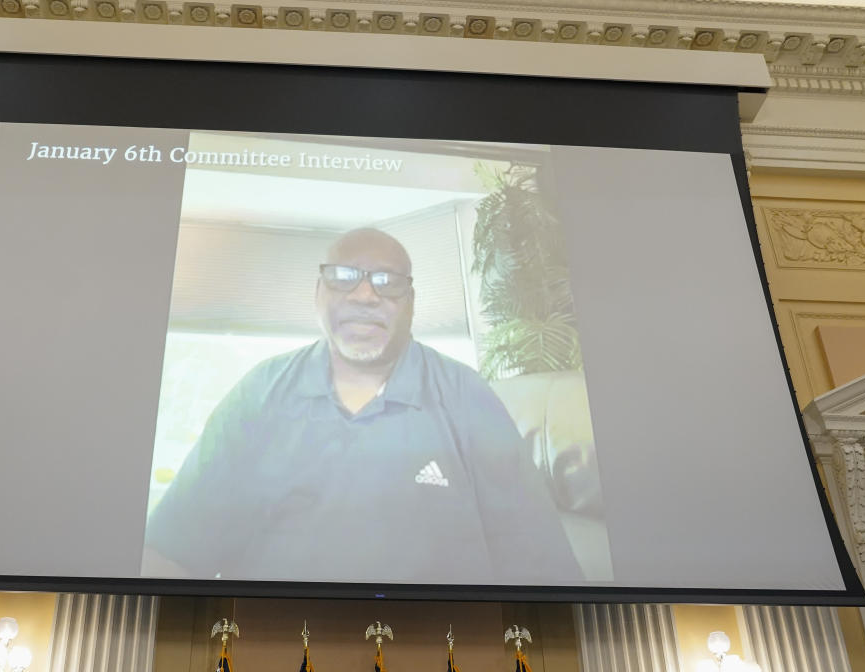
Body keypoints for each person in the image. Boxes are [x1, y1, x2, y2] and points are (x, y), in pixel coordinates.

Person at [143, 227, 580, 584]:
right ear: (318, 294)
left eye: (388, 283)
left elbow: (539, 563)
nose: (365, 295)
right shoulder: (259, 394)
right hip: (271, 645)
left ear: (411, 304)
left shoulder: (469, 399)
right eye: (344, 277)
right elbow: (174, 548)